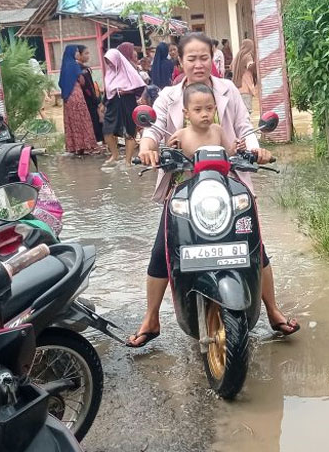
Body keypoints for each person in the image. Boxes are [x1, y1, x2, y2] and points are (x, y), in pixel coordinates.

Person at [126, 32, 299, 348]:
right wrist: (149, 147)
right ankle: (152, 318)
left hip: (226, 184)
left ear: (212, 58)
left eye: (203, 57)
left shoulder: (228, 90)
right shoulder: (167, 96)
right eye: (191, 58)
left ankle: (273, 310)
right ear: (180, 60)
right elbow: (153, 129)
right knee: (163, 250)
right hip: (183, 186)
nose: (198, 64)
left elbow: (245, 130)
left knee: (254, 244)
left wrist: (256, 149)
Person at [101, 47, 146, 165]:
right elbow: (107, 91)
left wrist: (127, 91)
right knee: (107, 130)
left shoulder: (128, 71)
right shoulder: (109, 74)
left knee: (129, 132)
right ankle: (114, 155)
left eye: (111, 60)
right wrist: (103, 103)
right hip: (113, 105)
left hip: (127, 103)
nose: (110, 63)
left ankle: (128, 160)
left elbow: (140, 88)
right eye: (107, 61)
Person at [167, 83, 235, 158]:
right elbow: (173, 162)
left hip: (217, 169)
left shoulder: (218, 131)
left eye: (209, 108)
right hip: (191, 170)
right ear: (186, 113)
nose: (205, 114)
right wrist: (170, 150)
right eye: (198, 110)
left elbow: (229, 155)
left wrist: (236, 148)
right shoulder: (180, 136)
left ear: (215, 109)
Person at [58, 45, 99, 155]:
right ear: (72, 53)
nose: (77, 54)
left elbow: (60, 83)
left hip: (67, 98)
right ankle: (87, 145)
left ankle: (75, 146)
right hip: (77, 95)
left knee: (72, 121)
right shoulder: (75, 65)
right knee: (83, 119)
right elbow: (82, 81)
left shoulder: (64, 66)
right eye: (76, 52)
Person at [76, 45, 104, 144]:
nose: (88, 56)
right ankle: (97, 140)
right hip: (89, 100)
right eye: (86, 53)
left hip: (81, 99)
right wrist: (96, 100)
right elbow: (88, 88)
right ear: (78, 55)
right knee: (94, 120)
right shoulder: (83, 70)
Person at [233, 38, 258, 115]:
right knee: (247, 113)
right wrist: (258, 62)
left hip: (237, 88)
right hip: (246, 89)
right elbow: (250, 66)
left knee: (240, 113)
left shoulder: (238, 57)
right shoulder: (247, 56)